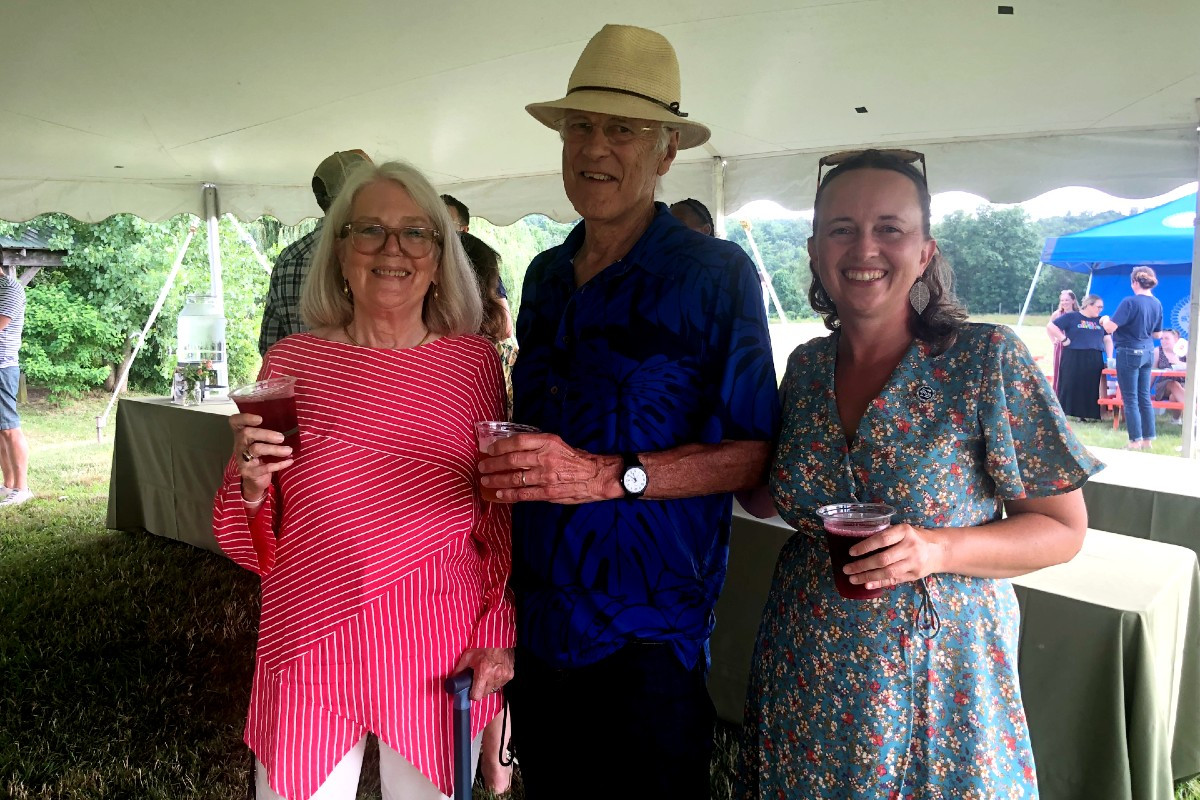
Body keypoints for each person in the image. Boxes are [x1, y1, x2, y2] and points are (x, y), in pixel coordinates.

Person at [735, 149, 1099, 798]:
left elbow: (1063, 530)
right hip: (807, 667)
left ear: (925, 252)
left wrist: (937, 546)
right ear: (816, 252)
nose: (864, 246)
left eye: (890, 228)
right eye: (841, 228)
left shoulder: (986, 361)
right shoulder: (807, 370)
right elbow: (765, 497)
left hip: (941, 677)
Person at [477, 24, 779, 799]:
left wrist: (611, 477)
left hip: (650, 640)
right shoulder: (544, 277)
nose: (596, 147)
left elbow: (753, 454)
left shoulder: (716, 275)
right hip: (541, 630)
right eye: (581, 125)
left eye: (624, 129)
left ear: (667, 150)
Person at [213, 161, 515, 800]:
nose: (392, 249)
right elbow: (248, 536)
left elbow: (500, 519)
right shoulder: (292, 361)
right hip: (308, 637)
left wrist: (496, 635)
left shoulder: (473, 365)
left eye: (414, 233)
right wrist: (250, 485)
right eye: (370, 231)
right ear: (340, 253)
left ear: (438, 257)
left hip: (435, 637)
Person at [456, 230, 516, 795]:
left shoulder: (481, 359)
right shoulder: (487, 349)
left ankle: (496, 769)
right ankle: (497, 771)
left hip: (498, 511)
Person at [258, 149, 372, 355]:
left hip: (305, 384)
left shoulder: (289, 259)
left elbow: (270, 346)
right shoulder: (382, 254)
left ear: (320, 200)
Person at [1100, 267, 1165, 449]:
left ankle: (1134, 441)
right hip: (1148, 352)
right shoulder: (1157, 303)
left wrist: (1104, 319)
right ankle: (1147, 440)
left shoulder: (1130, 302)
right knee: (1144, 396)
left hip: (1129, 352)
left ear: (1134, 282)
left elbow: (1110, 328)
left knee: (1130, 398)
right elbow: (1158, 335)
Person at [445, 196, 513, 339]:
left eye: (446, 223)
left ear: (464, 230)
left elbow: (504, 329)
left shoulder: (479, 262)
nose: (438, 229)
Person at [1047, 293, 1112, 420]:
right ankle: (1066, 412)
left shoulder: (1099, 321)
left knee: (1090, 385)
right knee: (1070, 383)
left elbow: (1107, 339)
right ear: (1089, 305)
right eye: (1098, 307)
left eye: (1101, 307)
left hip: (1094, 355)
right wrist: (1063, 339)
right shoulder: (1072, 317)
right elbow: (1051, 326)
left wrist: (1109, 358)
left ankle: (1087, 415)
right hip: (1073, 354)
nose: (1100, 310)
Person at [0, 263, 31, 507]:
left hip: (3, 366)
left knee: (9, 427)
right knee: (1, 429)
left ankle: (22, 488)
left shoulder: (10, 288)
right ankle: (8, 485)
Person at [1151, 328, 1186, 420]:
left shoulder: (1186, 351)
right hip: (1164, 386)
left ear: (1176, 339)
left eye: (1167, 338)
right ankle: (1194, 414)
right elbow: (1152, 373)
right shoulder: (1157, 351)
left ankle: (1175, 419)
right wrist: (1145, 391)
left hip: (1184, 384)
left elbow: (1194, 368)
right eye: (1162, 339)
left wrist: (1178, 363)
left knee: (1173, 397)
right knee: (1173, 384)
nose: (1163, 341)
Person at [1048, 289, 1078, 392]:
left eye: (1067, 300)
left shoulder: (1078, 314)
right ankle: (1057, 394)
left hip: (1074, 345)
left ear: (1073, 301)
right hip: (1061, 346)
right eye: (1062, 300)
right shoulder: (1058, 314)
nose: (1064, 302)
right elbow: (1049, 327)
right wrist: (1053, 340)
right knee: (1059, 370)